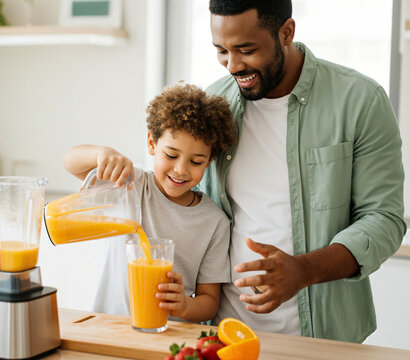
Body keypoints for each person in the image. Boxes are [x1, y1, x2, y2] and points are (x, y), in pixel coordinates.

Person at [198, 0, 406, 342]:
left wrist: (303, 270)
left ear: (286, 33)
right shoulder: (214, 105)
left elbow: (384, 218)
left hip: (324, 339)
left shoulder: (360, 101)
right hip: (224, 336)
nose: (233, 65)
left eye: (246, 50)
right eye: (221, 50)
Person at [63, 83, 237, 322]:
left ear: (209, 161)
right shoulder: (129, 184)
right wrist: (101, 154)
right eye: (171, 155)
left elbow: (209, 301)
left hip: (167, 337)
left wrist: (185, 306)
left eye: (196, 161)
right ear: (152, 144)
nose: (180, 170)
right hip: (109, 326)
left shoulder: (213, 222)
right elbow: (70, 162)